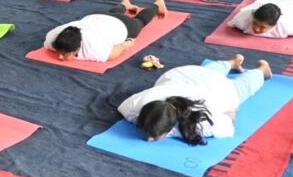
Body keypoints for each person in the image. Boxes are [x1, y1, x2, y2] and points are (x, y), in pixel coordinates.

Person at [117, 54, 272, 145]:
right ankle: (232, 62)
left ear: (171, 126)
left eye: (155, 135)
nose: (149, 139)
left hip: (217, 88)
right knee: (207, 72)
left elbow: (229, 118)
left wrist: (231, 110)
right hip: (184, 74)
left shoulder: (201, 124)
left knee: (241, 88)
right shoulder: (134, 107)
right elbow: (124, 107)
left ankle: (261, 70)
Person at [44, 0, 168, 62]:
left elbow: (121, 48)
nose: (59, 57)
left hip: (121, 24)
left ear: (77, 48)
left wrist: (129, 42)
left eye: (65, 54)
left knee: (139, 22)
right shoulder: (52, 39)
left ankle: (157, 4)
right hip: (96, 16)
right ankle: (125, 5)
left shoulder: (95, 50)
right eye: (59, 51)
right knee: (112, 13)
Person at [227, 0, 293, 38]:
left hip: (291, 5)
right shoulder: (241, 20)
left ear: (274, 25)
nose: (256, 29)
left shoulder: (288, 27)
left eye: (262, 27)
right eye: (255, 23)